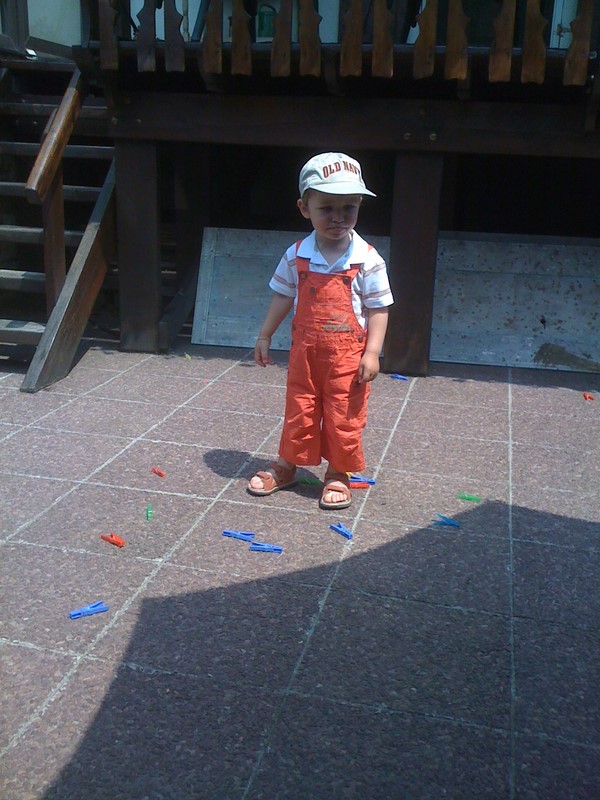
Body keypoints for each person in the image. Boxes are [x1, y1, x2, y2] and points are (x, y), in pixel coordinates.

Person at [248, 152, 394, 509]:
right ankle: (287, 465)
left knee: (345, 414)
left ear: (359, 207)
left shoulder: (368, 258)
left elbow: (379, 308)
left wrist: (373, 352)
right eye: (326, 208)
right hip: (305, 354)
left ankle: (338, 472)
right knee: (300, 408)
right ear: (304, 208)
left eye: (348, 208)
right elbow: (283, 295)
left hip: (348, 358)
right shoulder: (297, 254)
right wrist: (265, 335)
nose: (338, 217)